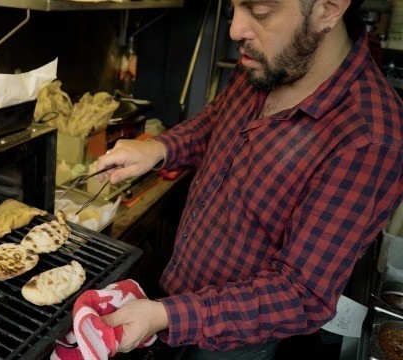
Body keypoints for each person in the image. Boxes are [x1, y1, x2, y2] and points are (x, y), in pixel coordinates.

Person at [95, 0, 403, 358]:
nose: (235, 31)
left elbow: (301, 294)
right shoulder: (266, 61)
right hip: (175, 294)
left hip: (235, 342)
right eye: (233, 10)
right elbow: (216, 120)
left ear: (329, 8)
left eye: (259, 11)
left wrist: (166, 315)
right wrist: (161, 148)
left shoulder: (370, 137)